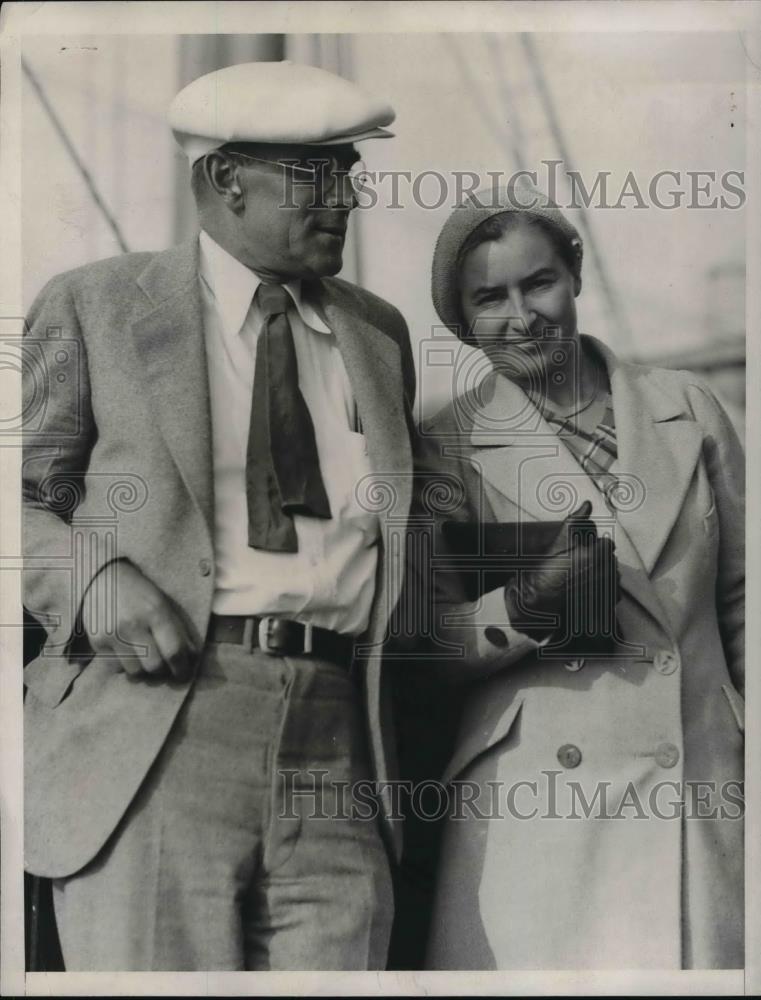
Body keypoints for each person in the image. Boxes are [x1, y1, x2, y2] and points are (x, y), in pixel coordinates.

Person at [22, 60, 417, 971]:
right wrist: (94, 578)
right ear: (225, 179)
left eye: (351, 174)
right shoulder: (96, 309)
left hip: (342, 748)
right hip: (158, 733)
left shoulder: (379, 334)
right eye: (316, 175)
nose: (347, 199)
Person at [417, 181, 745, 969]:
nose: (521, 316)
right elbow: (420, 646)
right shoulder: (444, 448)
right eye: (488, 298)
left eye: (538, 283)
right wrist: (525, 606)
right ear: (463, 323)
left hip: (700, 792)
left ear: (574, 275)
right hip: (539, 814)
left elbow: (741, 599)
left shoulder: (688, 408)